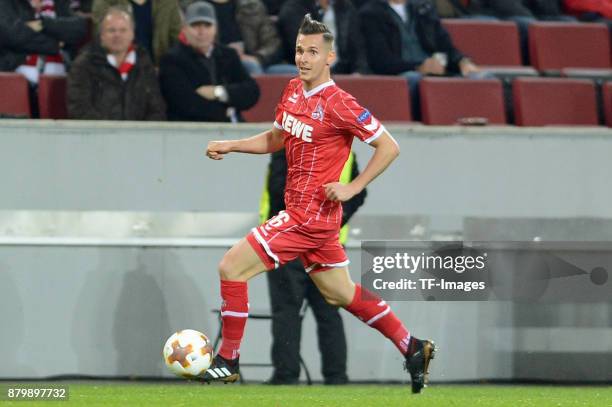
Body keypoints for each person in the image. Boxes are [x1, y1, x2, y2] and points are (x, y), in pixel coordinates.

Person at [203, 14, 436, 394]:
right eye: (299, 50)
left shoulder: (340, 103)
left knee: (231, 266)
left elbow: (388, 146)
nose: (303, 58)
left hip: (306, 216)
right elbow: (278, 138)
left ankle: (227, 361)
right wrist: (233, 145)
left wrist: (352, 187)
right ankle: (411, 346)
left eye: (313, 51)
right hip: (312, 219)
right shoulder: (293, 89)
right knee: (339, 293)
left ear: (330, 57)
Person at [263, 150, 366, 385]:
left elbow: (278, 190)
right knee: (329, 312)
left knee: (287, 311)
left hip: (287, 242)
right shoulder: (345, 151)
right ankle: (336, 377)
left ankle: (286, 376)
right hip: (326, 243)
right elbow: (358, 193)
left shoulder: (288, 144)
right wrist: (332, 221)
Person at [359, 0, 487, 119]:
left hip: (435, 71)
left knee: (481, 78)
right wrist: (419, 66)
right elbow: (381, 62)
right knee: (416, 80)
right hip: (402, 75)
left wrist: (462, 61)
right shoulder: (370, 13)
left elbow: (445, 44)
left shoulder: (423, 9)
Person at [159, 1, 260, 122]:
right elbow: (185, 103)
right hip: (190, 131)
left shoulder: (228, 55)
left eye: (207, 25)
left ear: (215, 28)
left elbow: (251, 91)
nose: (201, 32)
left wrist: (219, 92)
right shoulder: (172, 60)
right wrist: (227, 110)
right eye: (195, 25)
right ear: (184, 29)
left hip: (231, 131)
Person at [67, 6, 166, 119]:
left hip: (141, 134)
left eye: (123, 30)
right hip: (99, 134)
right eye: (111, 30)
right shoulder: (84, 65)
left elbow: (157, 108)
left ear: (132, 34)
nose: (117, 35)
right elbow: (79, 110)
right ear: (101, 36)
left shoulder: (143, 63)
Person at [0, 0, 87, 83]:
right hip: (15, 71)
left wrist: (43, 24)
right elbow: (13, 34)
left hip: (61, 72)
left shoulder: (59, 2)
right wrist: (57, 43)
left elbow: (79, 28)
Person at [278, 0, 368, 74]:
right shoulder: (294, 8)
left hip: (344, 73)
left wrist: (359, 72)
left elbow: (358, 47)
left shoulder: (345, 7)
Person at [92, 0, 182, 64]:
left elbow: (177, 39)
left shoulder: (168, 3)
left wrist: (166, 67)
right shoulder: (106, 2)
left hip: (159, 69)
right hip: (117, 69)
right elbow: (102, 35)